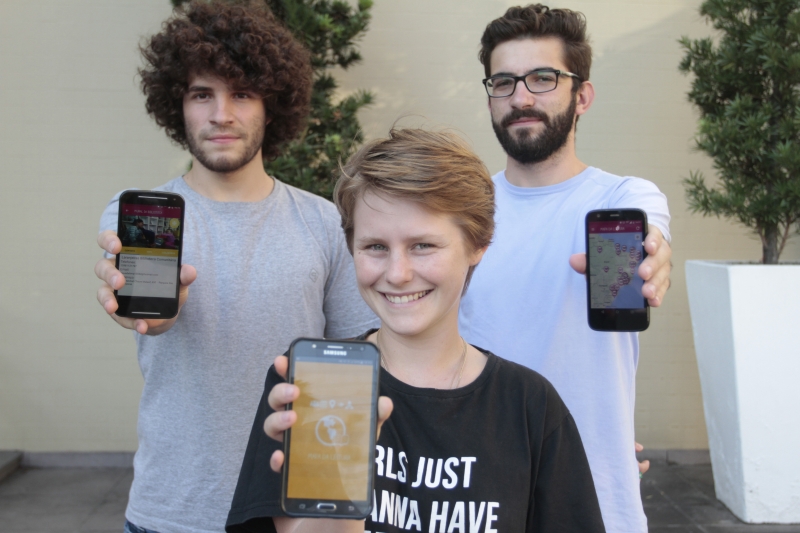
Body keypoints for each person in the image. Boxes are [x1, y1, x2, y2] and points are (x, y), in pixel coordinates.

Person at [226, 129, 606, 533]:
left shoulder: (529, 405)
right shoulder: (313, 387)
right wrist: (336, 502)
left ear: (479, 243)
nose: (397, 273)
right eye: (375, 247)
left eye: (423, 245)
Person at [93, 2, 377, 532]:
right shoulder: (139, 216)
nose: (221, 114)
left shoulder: (323, 222)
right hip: (170, 512)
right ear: (176, 105)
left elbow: (357, 355)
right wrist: (153, 310)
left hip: (292, 513)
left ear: (273, 106)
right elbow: (149, 317)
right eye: (203, 94)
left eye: (242, 94)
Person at [458, 5, 672, 532]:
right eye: (503, 82)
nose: (521, 97)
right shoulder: (461, 212)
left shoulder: (623, 198)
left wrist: (653, 257)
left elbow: (652, 235)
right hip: (474, 496)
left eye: (543, 78)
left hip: (599, 497)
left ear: (583, 96)